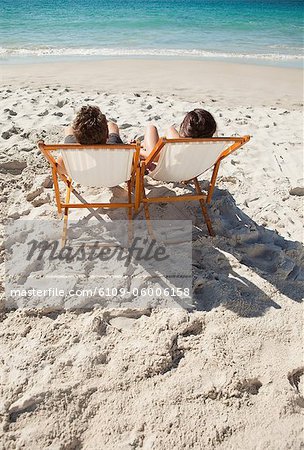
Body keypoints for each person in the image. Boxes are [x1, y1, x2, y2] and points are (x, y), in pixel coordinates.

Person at [58, 105, 123, 174]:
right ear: (107, 136)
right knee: (111, 125)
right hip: (111, 172)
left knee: (69, 128)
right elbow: (131, 168)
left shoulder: (69, 156)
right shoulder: (120, 152)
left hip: (79, 163)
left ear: (76, 139)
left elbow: (60, 169)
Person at [141, 108, 217, 160]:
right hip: (188, 172)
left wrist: (136, 151)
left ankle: (141, 149)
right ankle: (144, 146)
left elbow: (154, 158)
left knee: (151, 128)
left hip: (167, 171)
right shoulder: (207, 148)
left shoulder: (179, 147)